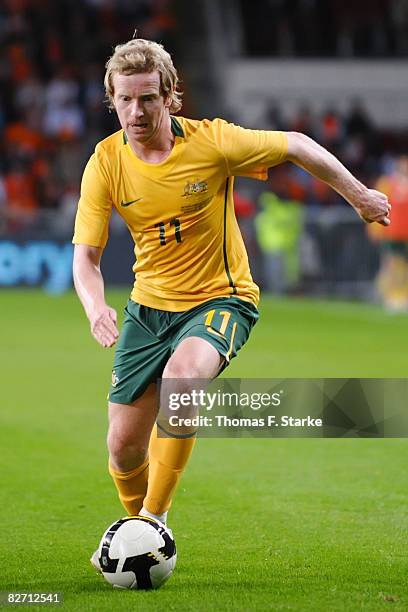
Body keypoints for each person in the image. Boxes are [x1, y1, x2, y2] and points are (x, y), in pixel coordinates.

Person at [72, 38, 390, 570]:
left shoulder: (213, 142)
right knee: (124, 449)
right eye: (125, 99)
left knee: (182, 381)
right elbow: (86, 258)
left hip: (221, 298)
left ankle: (151, 520)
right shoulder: (105, 162)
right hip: (148, 310)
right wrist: (95, 308)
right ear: (112, 98)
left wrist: (358, 195)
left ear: (170, 96)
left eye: (148, 98)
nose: (136, 111)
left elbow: (295, 144)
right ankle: (144, 529)